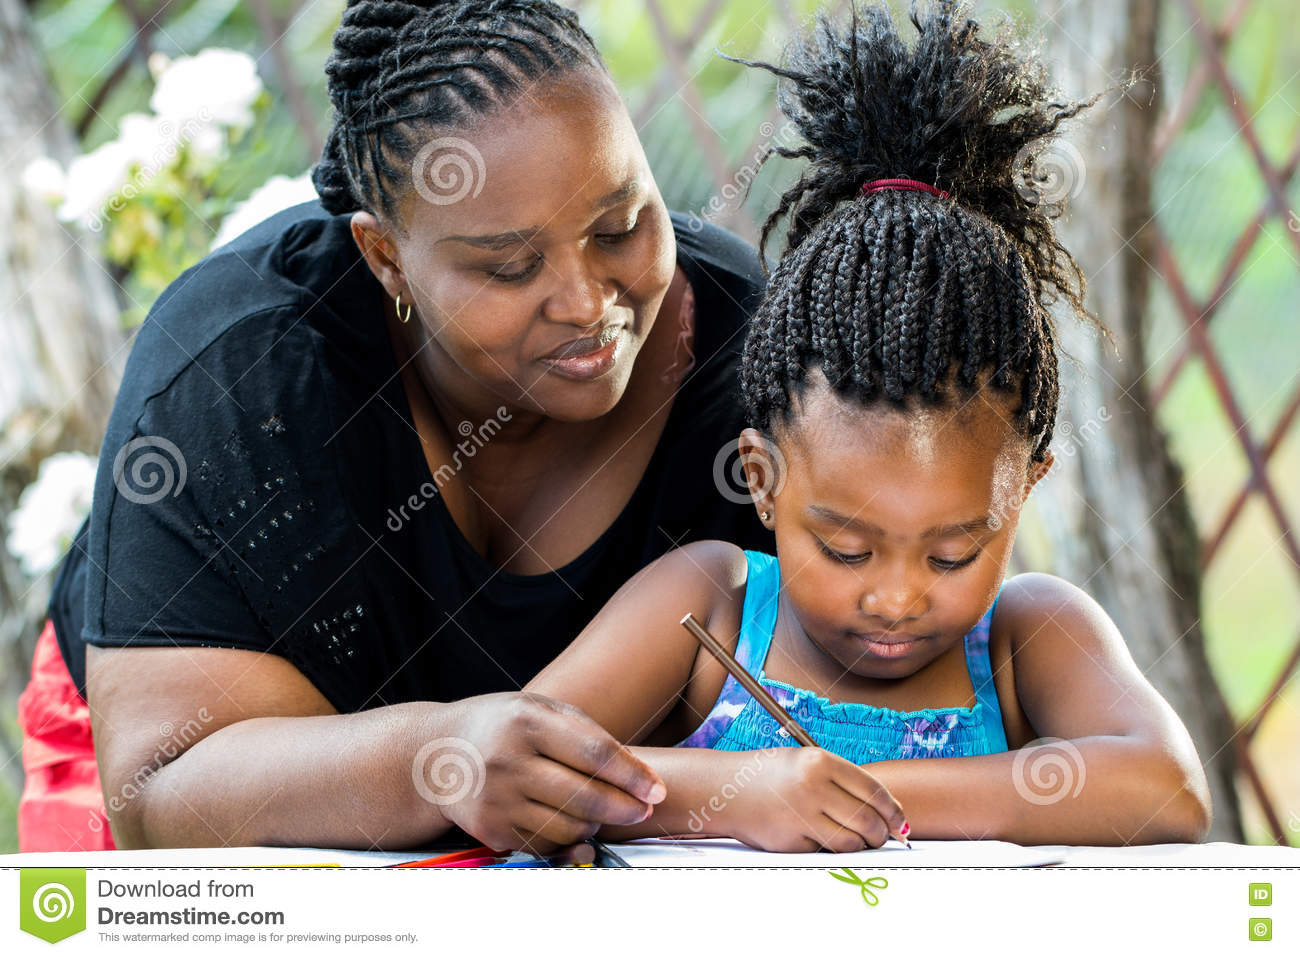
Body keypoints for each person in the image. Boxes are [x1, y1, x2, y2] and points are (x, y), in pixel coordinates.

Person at [19, 0, 773, 854]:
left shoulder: (738, 350)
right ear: (385, 256)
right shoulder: (242, 371)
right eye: (511, 265)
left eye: (619, 226)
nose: (588, 303)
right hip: (230, 791)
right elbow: (159, 791)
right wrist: (435, 760)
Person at [524, 1, 1213, 852]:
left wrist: (867, 795)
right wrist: (741, 794)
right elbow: (526, 762)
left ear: (1025, 486)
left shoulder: (1026, 639)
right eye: (848, 549)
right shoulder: (713, 605)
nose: (894, 597)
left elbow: (1169, 787)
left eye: (953, 554)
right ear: (763, 481)